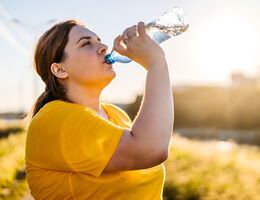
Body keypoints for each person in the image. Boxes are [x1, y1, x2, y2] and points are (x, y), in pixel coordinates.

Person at [25, 19, 174, 200]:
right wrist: (156, 64)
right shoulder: (53, 119)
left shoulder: (115, 114)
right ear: (60, 69)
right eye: (86, 43)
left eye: (98, 40)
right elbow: (150, 149)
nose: (103, 47)